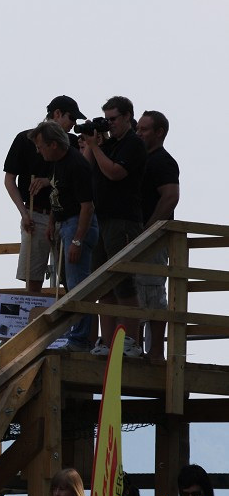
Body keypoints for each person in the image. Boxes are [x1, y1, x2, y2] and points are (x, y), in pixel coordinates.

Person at [83, 96, 147, 357]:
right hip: (103, 219)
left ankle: (130, 340)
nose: (110, 125)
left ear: (128, 117)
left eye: (113, 120)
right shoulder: (108, 144)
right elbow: (86, 166)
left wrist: (95, 147)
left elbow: (114, 172)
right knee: (103, 284)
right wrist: (93, 142)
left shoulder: (134, 144)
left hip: (123, 220)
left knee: (123, 282)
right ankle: (108, 341)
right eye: (106, 120)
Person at [4, 95, 86, 292]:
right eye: (71, 118)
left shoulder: (73, 143)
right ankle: (34, 319)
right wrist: (24, 214)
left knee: (70, 278)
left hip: (64, 216)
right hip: (36, 213)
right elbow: (9, 180)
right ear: (57, 114)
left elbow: (81, 175)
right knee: (34, 277)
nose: (73, 124)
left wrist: (47, 181)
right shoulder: (24, 139)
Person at [29, 121, 98, 351]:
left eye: (41, 146)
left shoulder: (76, 165)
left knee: (78, 285)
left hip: (77, 224)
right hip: (63, 223)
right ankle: (76, 335)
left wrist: (78, 240)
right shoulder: (56, 163)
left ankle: (79, 340)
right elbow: (56, 194)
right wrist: (51, 222)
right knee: (69, 283)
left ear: (54, 145)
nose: (39, 151)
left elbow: (87, 207)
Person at [134, 110, 180, 362]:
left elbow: (171, 196)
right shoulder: (141, 159)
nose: (138, 133)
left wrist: (149, 229)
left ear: (159, 132)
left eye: (143, 129)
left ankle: (154, 352)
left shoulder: (162, 161)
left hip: (151, 238)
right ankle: (138, 347)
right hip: (137, 236)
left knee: (152, 291)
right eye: (138, 129)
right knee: (136, 291)